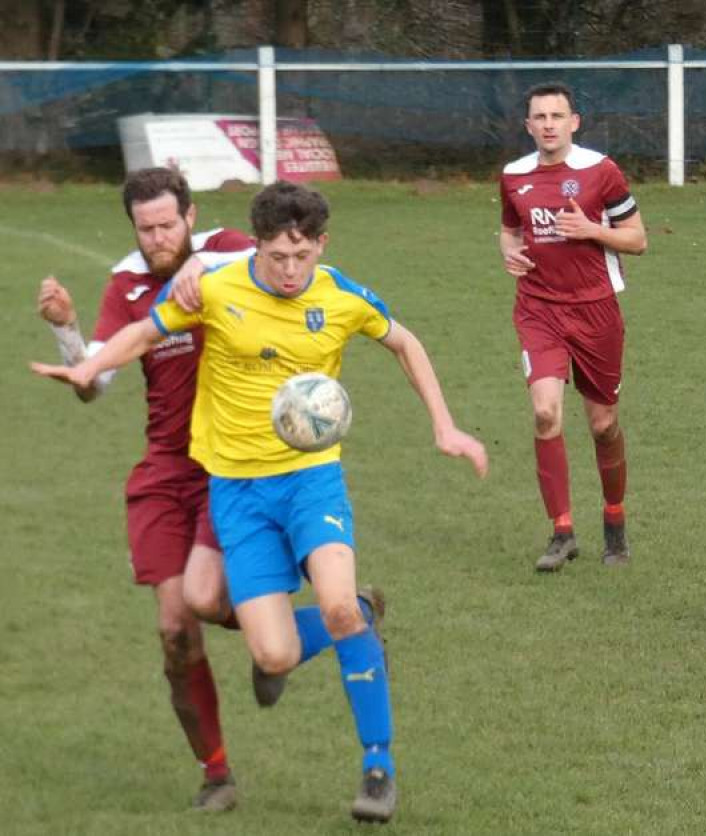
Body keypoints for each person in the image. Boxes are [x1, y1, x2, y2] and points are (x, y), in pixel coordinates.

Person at [34, 180, 489, 824]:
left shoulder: (338, 293)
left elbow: (404, 342)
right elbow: (142, 333)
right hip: (237, 493)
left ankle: (377, 767)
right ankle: (360, 613)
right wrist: (85, 364)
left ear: (319, 246)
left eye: (301, 257)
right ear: (258, 247)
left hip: (311, 480)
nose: (288, 270)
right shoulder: (216, 290)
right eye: (276, 257)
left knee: (330, 605)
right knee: (271, 654)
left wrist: (445, 426)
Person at [35, 167, 257, 810]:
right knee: (173, 628)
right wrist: (67, 332)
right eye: (146, 228)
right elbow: (94, 382)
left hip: (233, 464)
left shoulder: (233, 249)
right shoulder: (125, 283)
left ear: (191, 216)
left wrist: (206, 273)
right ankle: (216, 772)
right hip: (165, 469)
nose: (159, 238)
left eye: (168, 224)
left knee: (210, 602)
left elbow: (284, 276)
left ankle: (314, 630)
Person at [499, 81, 647, 572]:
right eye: (539, 117)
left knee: (603, 425)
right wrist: (507, 249)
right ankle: (562, 531)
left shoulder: (600, 171)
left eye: (556, 116)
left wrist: (591, 230)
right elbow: (509, 229)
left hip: (596, 310)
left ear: (574, 122)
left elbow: (638, 240)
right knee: (545, 413)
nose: (548, 125)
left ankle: (614, 520)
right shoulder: (513, 176)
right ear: (528, 125)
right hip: (538, 309)